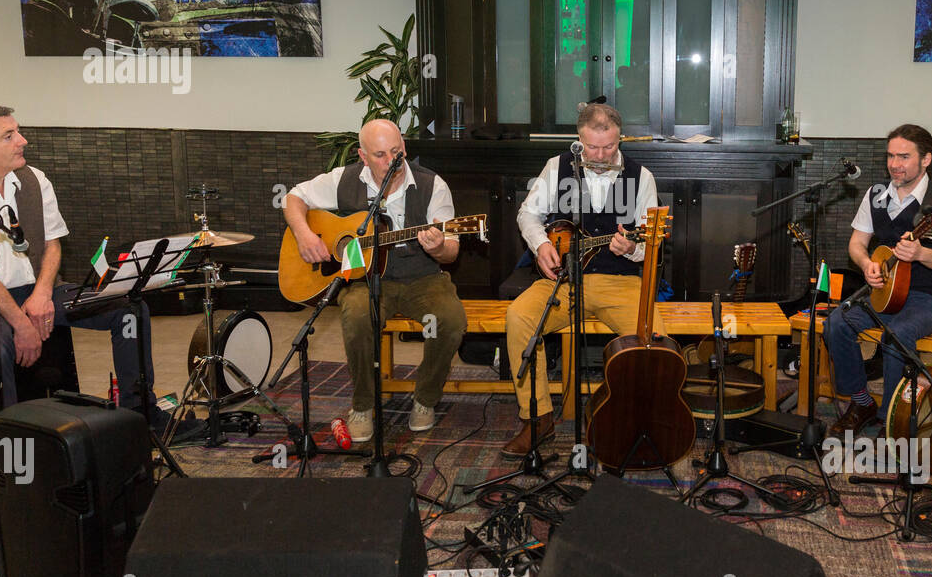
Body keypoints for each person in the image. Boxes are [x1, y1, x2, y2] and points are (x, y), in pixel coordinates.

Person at [0, 104, 160, 427]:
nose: (22, 140)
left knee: (129, 310)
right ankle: (8, 442)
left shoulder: (33, 178)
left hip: (35, 288)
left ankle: (142, 415)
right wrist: (23, 326)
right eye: (9, 136)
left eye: (18, 131)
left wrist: (41, 295)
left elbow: (53, 243)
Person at [283, 119, 467, 442]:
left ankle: (424, 399)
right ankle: (363, 405)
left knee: (450, 320)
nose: (391, 162)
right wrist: (304, 234)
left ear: (405, 148)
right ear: (363, 156)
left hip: (421, 279)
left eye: (396, 152)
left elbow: (452, 249)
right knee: (355, 316)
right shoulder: (344, 179)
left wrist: (440, 247)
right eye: (380, 155)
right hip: (365, 281)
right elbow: (294, 198)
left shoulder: (431, 185)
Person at [503, 102, 661, 456]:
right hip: (563, 279)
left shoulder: (641, 177)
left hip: (620, 281)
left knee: (654, 336)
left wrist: (630, 248)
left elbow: (651, 244)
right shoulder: (557, 167)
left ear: (620, 138)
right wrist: (542, 244)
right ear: (579, 140)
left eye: (609, 146)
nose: (601, 155)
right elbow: (528, 213)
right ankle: (537, 417)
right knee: (519, 317)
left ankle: (629, 416)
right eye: (592, 147)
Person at [822, 124, 932, 436]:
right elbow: (856, 244)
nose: (894, 164)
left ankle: (891, 419)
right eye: (890, 156)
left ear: (926, 159)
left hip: (929, 298)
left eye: (904, 157)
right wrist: (866, 265)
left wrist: (920, 255)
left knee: (897, 333)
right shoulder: (876, 194)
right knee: (836, 322)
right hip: (882, 293)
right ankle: (862, 402)